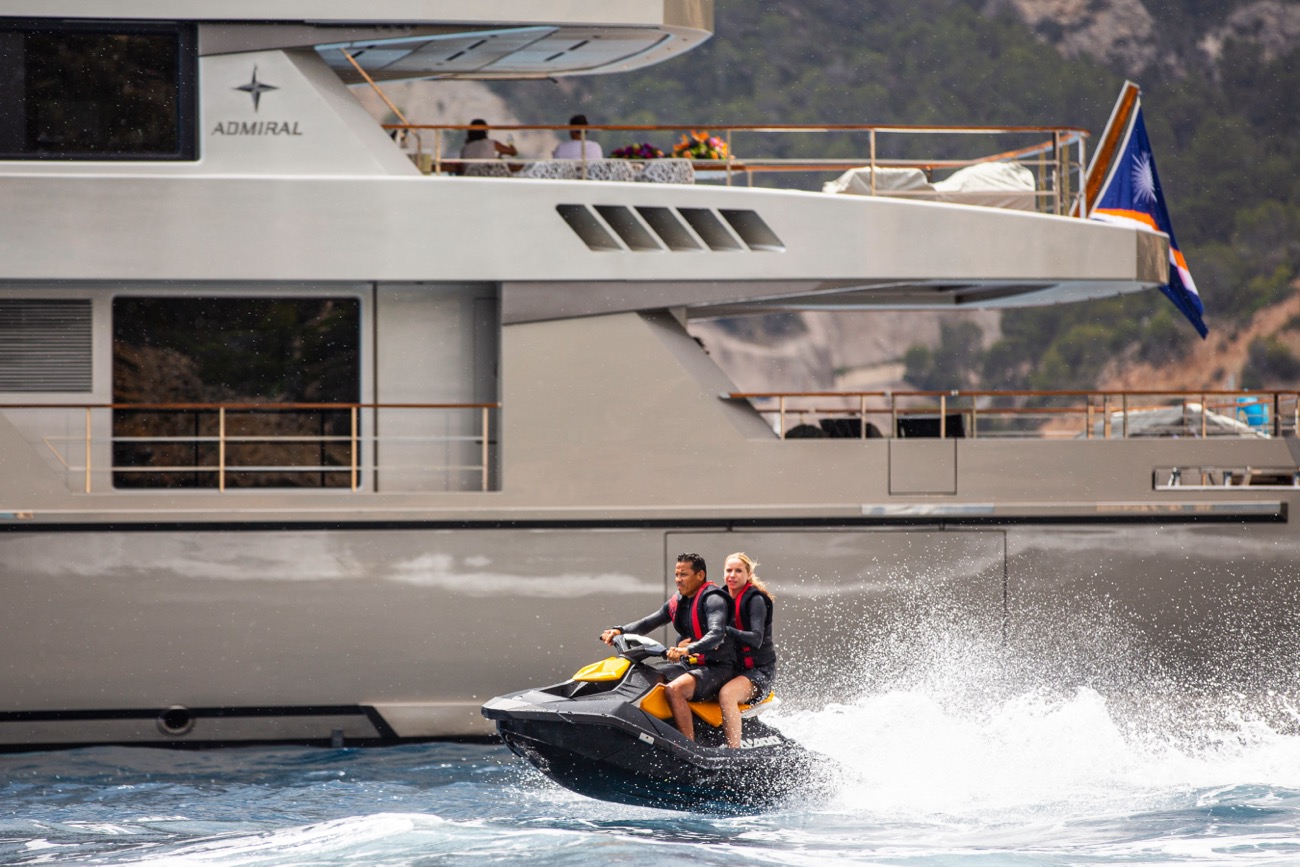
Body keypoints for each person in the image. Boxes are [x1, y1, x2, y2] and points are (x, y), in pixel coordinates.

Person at [600, 553, 735, 742]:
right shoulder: (678, 601)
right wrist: (619, 630)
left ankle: (688, 746)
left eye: (684, 574)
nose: (678, 579)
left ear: (700, 575)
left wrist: (687, 650)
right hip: (691, 665)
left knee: (674, 690)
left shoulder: (713, 599)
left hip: (719, 668)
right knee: (645, 677)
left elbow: (717, 634)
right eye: (676, 575)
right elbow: (648, 623)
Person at [717, 552, 776, 749]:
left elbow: (756, 639)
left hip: (758, 672)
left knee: (727, 694)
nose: (732, 575)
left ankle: (733, 752)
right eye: (729, 570)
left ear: (748, 575)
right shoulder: (718, 599)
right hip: (730, 668)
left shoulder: (756, 600)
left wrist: (725, 630)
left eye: (738, 571)